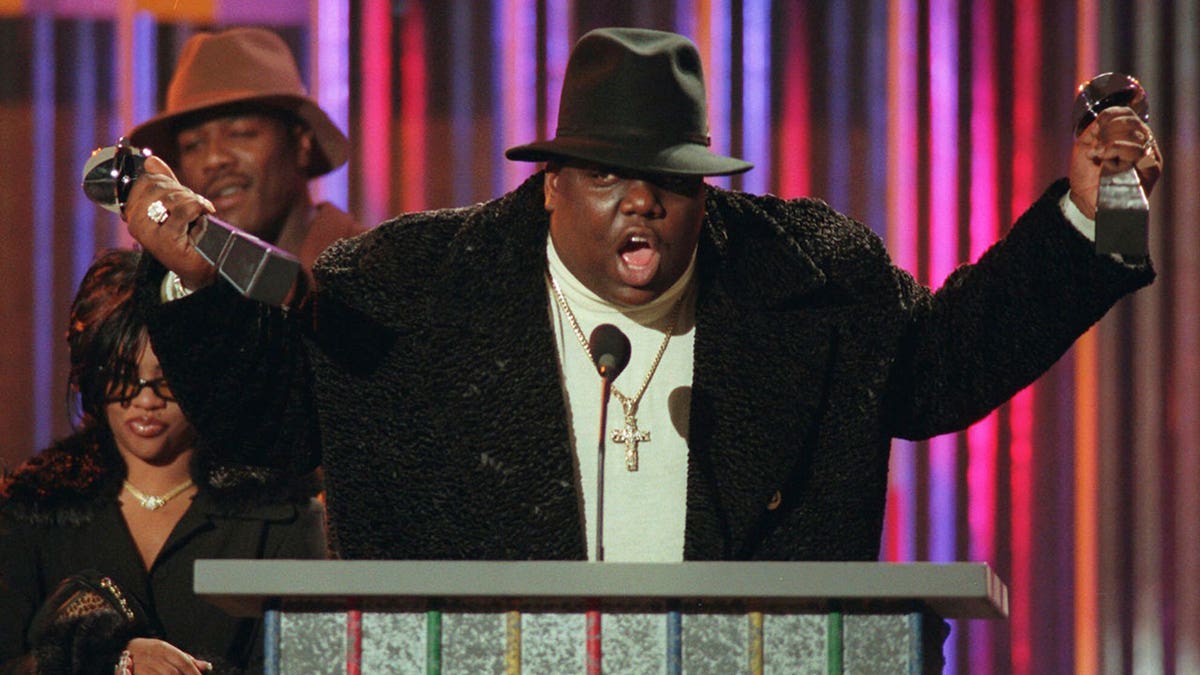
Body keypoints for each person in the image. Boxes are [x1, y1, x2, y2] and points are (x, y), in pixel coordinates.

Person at [120, 28, 1159, 563]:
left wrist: (1085, 220)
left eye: (670, 180)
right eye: (613, 177)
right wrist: (194, 284)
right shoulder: (408, 289)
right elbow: (268, 435)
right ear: (555, 181)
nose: (644, 206)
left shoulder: (809, 280)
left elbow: (941, 370)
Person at [0, 250, 327, 674]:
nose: (145, 400)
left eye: (166, 378)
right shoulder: (35, 509)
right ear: (90, 374)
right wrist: (106, 663)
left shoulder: (280, 515)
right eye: (121, 374)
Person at [127, 27, 364, 279]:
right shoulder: (174, 291)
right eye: (193, 145)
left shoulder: (374, 273)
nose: (214, 159)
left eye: (240, 133)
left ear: (302, 143)